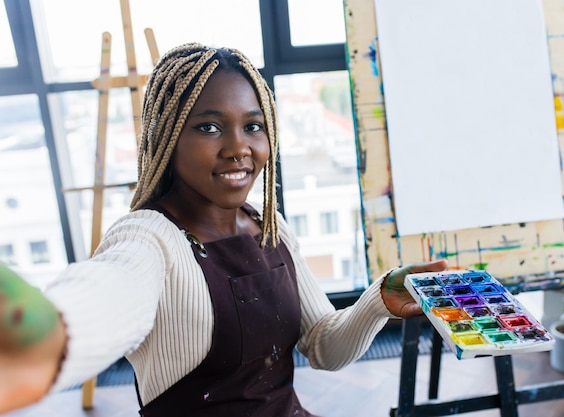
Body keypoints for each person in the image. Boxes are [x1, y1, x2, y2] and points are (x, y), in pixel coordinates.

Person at [0, 43, 448, 416]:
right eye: (209, 127)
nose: (239, 148)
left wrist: (377, 301)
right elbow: (108, 292)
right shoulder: (148, 238)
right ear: (168, 139)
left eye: (253, 126)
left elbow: (324, 349)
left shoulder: (267, 225)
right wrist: (48, 336)